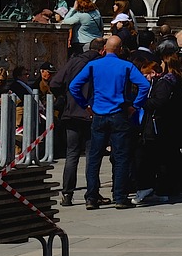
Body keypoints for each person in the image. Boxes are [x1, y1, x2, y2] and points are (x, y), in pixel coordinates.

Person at [69, 35, 150, 209]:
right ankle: (119, 197)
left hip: (98, 114)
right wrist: (135, 105)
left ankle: (91, 197)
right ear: (120, 50)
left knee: (94, 157)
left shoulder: (93, 65)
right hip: (119, 114)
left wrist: (85, 104)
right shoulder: (126, 66)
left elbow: (73, 86)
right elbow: (144, 85)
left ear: (105, 48)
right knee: (121, 157)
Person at [49, 37, 103, 206]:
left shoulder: (73, 62)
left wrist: (66, 97)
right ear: (102, 51)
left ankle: (67, 194)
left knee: (71, 154)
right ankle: (91, 195)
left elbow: (55, 82)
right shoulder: (100, 63)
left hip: (71, 112)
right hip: (90, 112)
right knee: (91, 155)